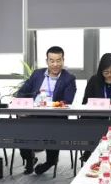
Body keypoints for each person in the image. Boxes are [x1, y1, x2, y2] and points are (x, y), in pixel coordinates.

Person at [15, 46, 78, 174]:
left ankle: (50, 162)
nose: (55, 64)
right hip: (33, 114)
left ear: (63, 60)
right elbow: (21, 93)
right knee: (21, 130)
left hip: (54, 117)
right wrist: (31, 101)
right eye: (52, 61)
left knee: (53, 131)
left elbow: (67, 101)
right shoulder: (37, 74)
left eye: (58, 60)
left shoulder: (69, 79)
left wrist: (51, 105)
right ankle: (29, 159)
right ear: (47, 61)